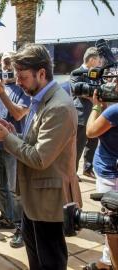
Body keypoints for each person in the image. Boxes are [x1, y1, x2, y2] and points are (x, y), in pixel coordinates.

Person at [0, 44, 80, 270]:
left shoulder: (59, 107)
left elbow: (39, 158)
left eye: (22, 77)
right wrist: (14, 133)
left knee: (50, 262)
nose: (17, 82)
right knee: (37, 259)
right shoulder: (42, 99)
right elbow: (36, 143)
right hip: (34, 197)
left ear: (42, 74)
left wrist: (7, 138)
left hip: (49, 202)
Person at [0, 52, 30, 248]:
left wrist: (2, 92)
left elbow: (19, 114)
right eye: (4, 63)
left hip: (13, 146)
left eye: (11, 63)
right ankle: (6, 217)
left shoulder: (22, 88)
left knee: (14, 188)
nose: (7, 67)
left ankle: (21, 226)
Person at [85, 90, 118, 270]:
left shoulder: (114, 111)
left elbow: (91, 131)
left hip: (110, 173)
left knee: (111, 224)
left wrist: (96, 106)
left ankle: (109, 264)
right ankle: (107, 260)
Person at [71, 47, 102, 179]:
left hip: (95, 115)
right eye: (98, 60)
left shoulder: (97, 73)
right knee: (78, 145)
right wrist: (94, 95)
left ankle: (88, 169)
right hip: (82, 115)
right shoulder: (77, 73)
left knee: (93, 143)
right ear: (92, 59)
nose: (100, 63)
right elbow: (76, 90)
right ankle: (72, 172)